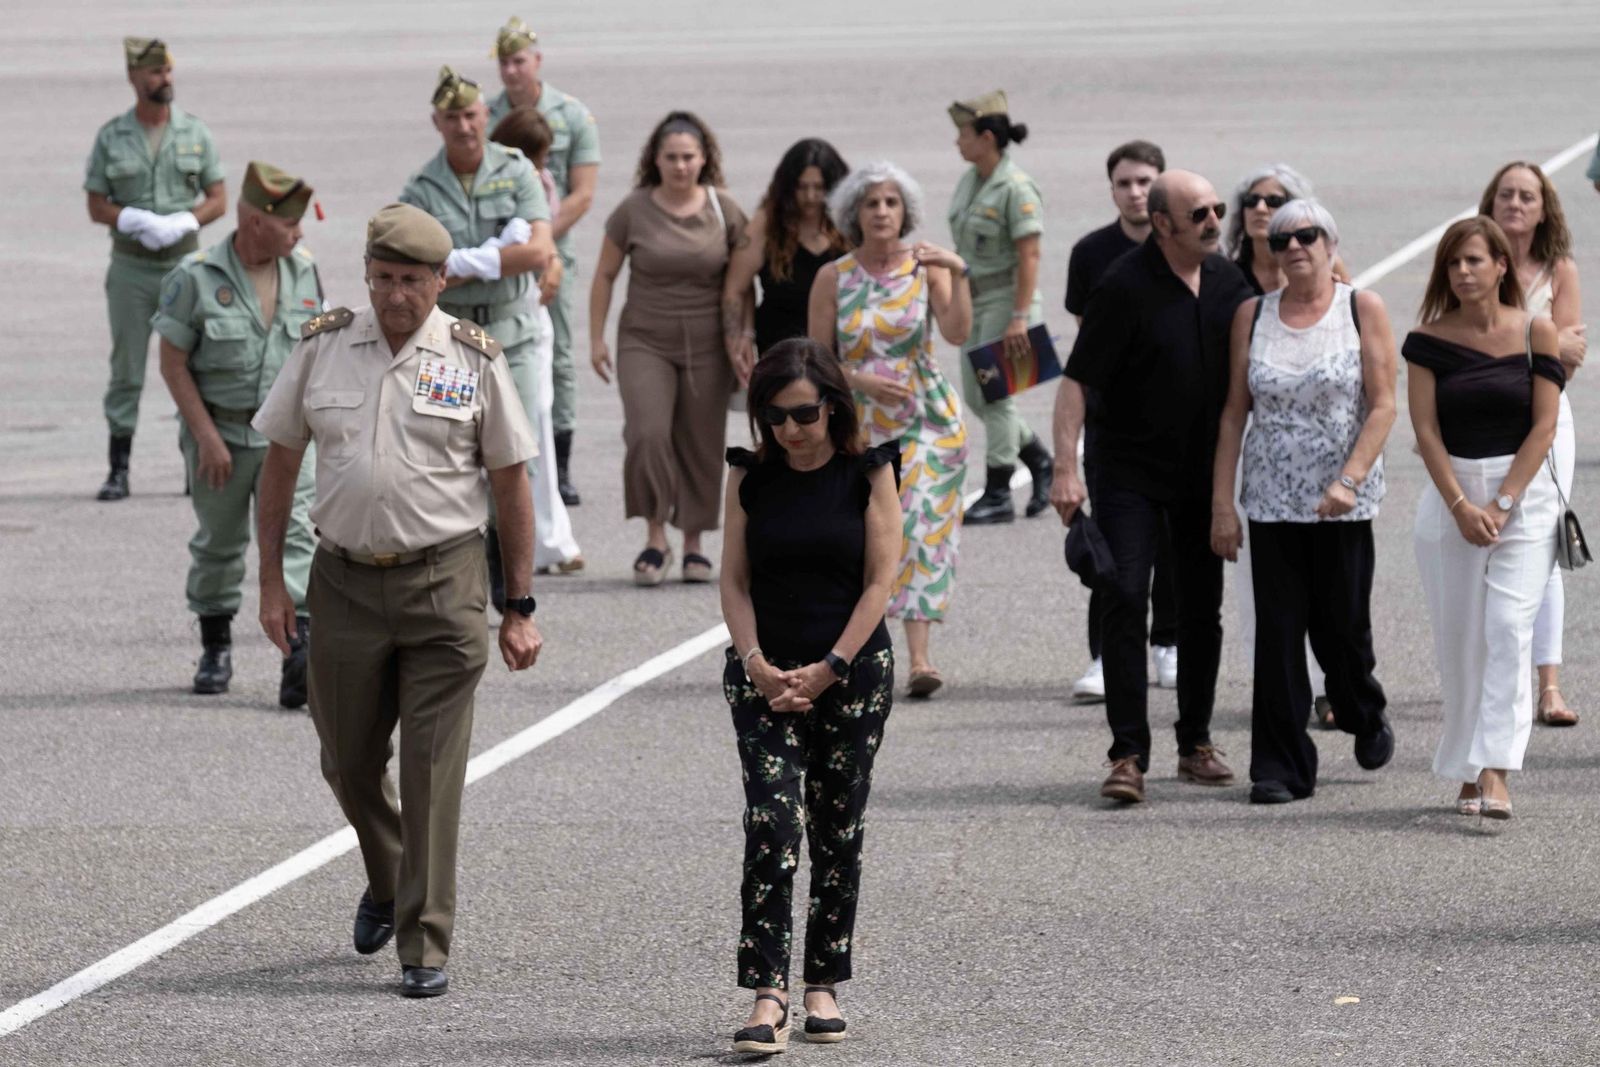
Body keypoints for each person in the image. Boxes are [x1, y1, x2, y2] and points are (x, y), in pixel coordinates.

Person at [252, 204, 543, 997]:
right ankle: (386, 878)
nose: (394, 295)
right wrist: (272, 580)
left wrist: (519, 603)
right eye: (382, 279)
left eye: (411, 281)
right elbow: (280, 460)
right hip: (342, 581)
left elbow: (511, 479)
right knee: (345, 758)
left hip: (444, 584)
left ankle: (424, 940)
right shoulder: (323, 348)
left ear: (440, 281)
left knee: (430, 770)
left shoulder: (474, 359)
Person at [719, 338, 900, 1055]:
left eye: (802, 414)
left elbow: (880, 581)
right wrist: (756, 661)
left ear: (832, 405)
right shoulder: (749, 477)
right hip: (764, 675)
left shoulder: (868, 472)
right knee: (772, 819)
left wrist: (829, 666)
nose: (790, 429)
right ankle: (768, 992)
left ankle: (822, 979)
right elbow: (733, 580)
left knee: (836, 825)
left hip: (849, 672)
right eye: (774, 416)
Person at [1051, 170, 1254, 804]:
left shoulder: (1229, 281)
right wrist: (1064, 467)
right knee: (1125, 592)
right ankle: (1127, 753)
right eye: (1199, 213)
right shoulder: (1123, 287)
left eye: (1218, 209)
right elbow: (1077, 381)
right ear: (1163, 224)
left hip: (1203, 472)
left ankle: (1194, 742)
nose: (1215, 221)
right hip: (1127, 471)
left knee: (1201, 607)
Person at [1210, 199, 1398, 804]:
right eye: (1282, 240)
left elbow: (1384, 404)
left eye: (1307, 236)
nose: (1294, 247)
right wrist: (1223, 504)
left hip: (1342, 502)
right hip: (1270, 503)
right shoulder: (1252, 314)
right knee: (1279, 633)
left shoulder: (1359, 307)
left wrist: (1349, 478)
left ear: (1329, 243)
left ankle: (1361, 710)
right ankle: (1281, 766)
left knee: (1342, 632)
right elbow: (1235, 413)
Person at [1404, 217, 1562, 820]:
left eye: (1475, 260)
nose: (1464, 272)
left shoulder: (1535, 332)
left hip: (1520, 498)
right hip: (1452, 498)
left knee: (1506, 628)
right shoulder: (1426, 340)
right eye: (1454, 263)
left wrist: (1501, 502)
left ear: (1501, 265)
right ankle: (1467, 767)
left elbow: (1544, 426)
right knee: (1462, 643)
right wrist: (1461, 505)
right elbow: (1425, 430)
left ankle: (1495, 768)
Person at [152, 162, 323, 705]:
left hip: (288, 439)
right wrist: (205, 437)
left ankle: (298, 656)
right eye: (289, 223)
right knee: (220, 545)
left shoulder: (303, 270)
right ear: (254, 222)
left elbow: (315, 352)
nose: (299, 233)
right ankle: (216, 647)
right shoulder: (194, 277)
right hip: (222, 437)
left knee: (298, 538)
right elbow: (173, 364)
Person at [808, 161, 972, 697]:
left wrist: (959, 272)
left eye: (891, 202)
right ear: (853, 212)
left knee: (921, 529)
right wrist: (861, 381)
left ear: (906, 212)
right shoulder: (834, 276)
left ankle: (921, 659)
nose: (881, 211)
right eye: (871, 203)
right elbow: (816, 358)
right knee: (863, 538)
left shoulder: (927, 266)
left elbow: (956, 331)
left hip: (927, 421)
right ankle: (847, 653)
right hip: (859, 423)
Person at [398, 66, 555, 611]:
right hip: (453, 340)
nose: (463, 126)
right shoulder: (420, 188)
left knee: (518, 459)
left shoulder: (515, 171)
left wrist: (462, 262)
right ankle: (462, 568)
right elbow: (415, 268)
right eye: (452, 118)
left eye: (471, 115)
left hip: (512, 336)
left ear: (485, 116)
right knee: (452, 456)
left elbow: (538, 250)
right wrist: (489, 258)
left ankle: (512, 582)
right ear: (436, 122)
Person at [589, 111, 748, 586]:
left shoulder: (725, 208)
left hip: (707, 343)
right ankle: (657, 535)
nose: (680, 166)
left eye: (688, 157)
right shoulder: (633, 209)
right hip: (645, 338)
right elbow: (604, 275)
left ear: (704, 160)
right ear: (654, 160)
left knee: (701, 441)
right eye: (671, 157)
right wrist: (596, 337)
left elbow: (744, 282)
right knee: (647, 433)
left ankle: (695, 541)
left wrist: (743, 338)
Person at [83, 37, 225, 501]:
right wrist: (130, 218)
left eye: (167, 72)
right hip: (131, 268)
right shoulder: (112, 136)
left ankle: (194, 461)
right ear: (133, 77)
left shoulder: (194, 132)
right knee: (127, 369)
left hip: (183, 266)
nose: (164, 80)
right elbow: (96, 203)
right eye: (154, 73)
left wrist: (187, 219)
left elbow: (219, 198)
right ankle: (118, 468)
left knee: (192, 365)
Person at [1062, 139, 1179, 703]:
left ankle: (1169, 642)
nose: (1135, 192)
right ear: (1112, 189)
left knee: (1174, 545)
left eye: (1144, 181)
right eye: (1124, 183)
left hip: (1177, 425)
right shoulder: (1091, 253)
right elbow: (1087, 350)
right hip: (1113, 425)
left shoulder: (1184, 247)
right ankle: (1107, 654)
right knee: (1114, 551)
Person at [1478, 161, 1586, 727]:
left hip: (1546, 420)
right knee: (1483, 537)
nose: (1515, 204)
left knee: (1542, 544)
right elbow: (1552, 346)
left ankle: (1548, 684)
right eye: (1505, 195)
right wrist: (1539, 345)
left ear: (1544, 209)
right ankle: (1488, 672)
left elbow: (1570, 357)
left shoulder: (1559, 269)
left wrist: (1500, 353)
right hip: (1477, 420)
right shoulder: (1473, 263)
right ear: (1490, 203)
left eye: (1527, 196)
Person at [489, 16, 601, 506]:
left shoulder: (571, 115)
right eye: (505, 62)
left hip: (551, 251)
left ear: (537, 61)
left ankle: (562, 464)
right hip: (499, 252)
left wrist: (539, 239)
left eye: (520, 61)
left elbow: (582, 194)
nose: (512, 71)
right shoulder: (487, 114)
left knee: (556, 358)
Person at [946, 90, 1053, 524]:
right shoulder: (973, 179)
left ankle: (997, 492)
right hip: (975, 297)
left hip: (1008, 300)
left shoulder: (1016, 188)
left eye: (964, 135)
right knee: (977, 394)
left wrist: (1019, 318)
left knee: (997, 395)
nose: (958, 143)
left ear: (986, 137)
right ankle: (1039, 459)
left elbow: (1030, 255)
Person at [490, 105, 585, 577]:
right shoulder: (504, 182)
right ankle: (539, 537)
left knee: (536, 424)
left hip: (530, 313)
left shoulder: (536, 183)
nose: (543, 169)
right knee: (519, 432)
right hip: (507, 310)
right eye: (536, 157)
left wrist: (551, 262)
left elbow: (545, 246)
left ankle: (548, 535)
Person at [722, 138, 851, 383]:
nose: (811, 197)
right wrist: (738, 340)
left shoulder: (849, 225)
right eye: (802, 187)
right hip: (781, 352)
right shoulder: (767, 225)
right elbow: (735, 289)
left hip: (842, 351)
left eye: (820, 187)